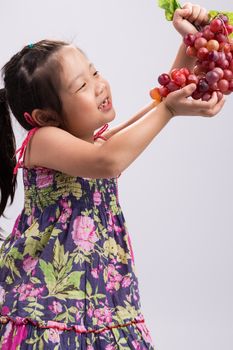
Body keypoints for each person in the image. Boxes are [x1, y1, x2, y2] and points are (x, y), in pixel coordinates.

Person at [0, 3, 226, 349]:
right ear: (45, 117)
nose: (99, 85)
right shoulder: (42, 142)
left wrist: (191, 43)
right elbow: (109, 161)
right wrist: (167, 109)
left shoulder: (91, 143)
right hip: (47, 303)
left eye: (94, 72)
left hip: (103, 297)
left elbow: (154, 107)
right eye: (82, 85)